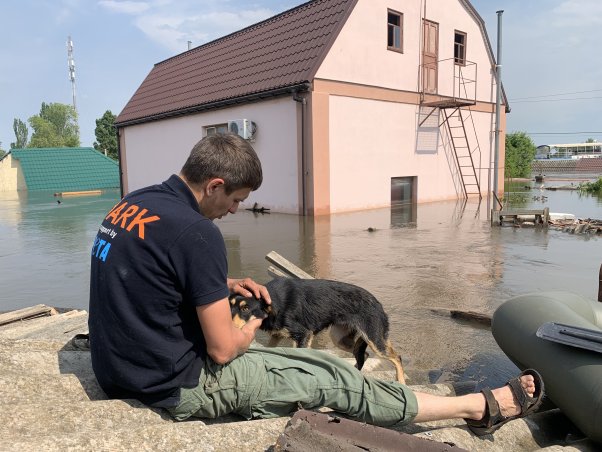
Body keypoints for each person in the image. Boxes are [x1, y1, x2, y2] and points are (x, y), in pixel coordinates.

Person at [89, 133, 544, 436]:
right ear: (214, 185)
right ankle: (476, 408)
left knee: (299, 356)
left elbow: (150, 270)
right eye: (235, 200)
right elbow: (225, 351)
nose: (234, 212)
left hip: (118, 369)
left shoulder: (137, 202)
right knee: (334, 376)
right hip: (174, 384)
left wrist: (219, 281)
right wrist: (253, 324)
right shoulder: (197, 232)